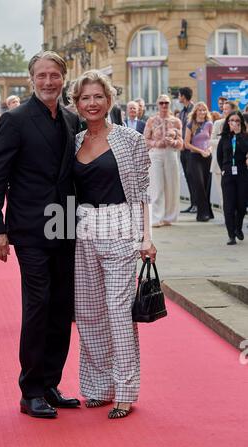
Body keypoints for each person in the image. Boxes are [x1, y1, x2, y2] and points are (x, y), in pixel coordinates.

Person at [0, 51, 81, 419]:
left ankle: (51, 383)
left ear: (63, 77)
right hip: (29, 226)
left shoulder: (72, 119)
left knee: (61, 306)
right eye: (41, 75)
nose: (48, 82)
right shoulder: (15, 119)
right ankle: (31, 390)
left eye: (54, 75)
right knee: (38, 305)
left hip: (65, 221)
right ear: (31, 79)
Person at [71, 70, 157, 419]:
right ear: (76, 104)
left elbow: (141, 193)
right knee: (89, 313)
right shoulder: (73, 141)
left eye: (98, 97)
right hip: (80, 228)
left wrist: (146, 237)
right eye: (85, 98)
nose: (92, 103)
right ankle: (97, 388)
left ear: (109, 100)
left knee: (119, 312)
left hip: (121, 226)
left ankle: (124, 390)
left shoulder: (129, 139)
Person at [144, 94, 183, 227]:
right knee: (156, 186)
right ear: (157, 105)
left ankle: (169, 217)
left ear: (170, 104)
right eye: (161, 103)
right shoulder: (151, 120)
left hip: (171, 153)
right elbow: (145, 140)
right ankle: (155, 218)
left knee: (172, 185)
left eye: (166, 103)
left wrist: (174, 141)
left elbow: (181, 143)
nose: (164, 105)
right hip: (156, 154)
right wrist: (155, 143)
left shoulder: (176, 121)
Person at [217, 111, 248, 245]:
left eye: (237, 121)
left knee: (241, 205)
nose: (234, 123)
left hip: (242, 173)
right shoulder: (224, 138)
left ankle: (238, 228)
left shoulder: (245, 137)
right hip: (228, 174)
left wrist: (238, 135)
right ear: (228, 123)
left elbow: (245, 150)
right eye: (232, 121)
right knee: (229, 206)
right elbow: (219, 156)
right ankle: (231, 235)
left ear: (240, 123)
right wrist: (223, 169)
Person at [185, 102, 214, 222]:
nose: (202, 112)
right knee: (200, 185)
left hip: (207, 157)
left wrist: (208, 150)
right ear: (195, 112)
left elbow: (212, 141)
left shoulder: (209, 124)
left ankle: (208, 211)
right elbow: (186, 144)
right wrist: (201, 151)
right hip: (195, 157)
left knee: (207, 185)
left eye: (204, 110)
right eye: (200, 110)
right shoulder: (190, 124)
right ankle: (202, 214)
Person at [210, 101, 238, 208]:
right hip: (219, 165)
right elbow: (211, 141)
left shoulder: (239, 124)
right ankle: (228, 219)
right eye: (223, 109)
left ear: (233, 110)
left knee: (235, 194)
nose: (224, 111)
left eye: (227, 109)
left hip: (236, 165)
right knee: (223, 194)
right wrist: (224, 141)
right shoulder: (218, 123)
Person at [178, 87, 196, 213]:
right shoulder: (182, 112)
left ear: (183, 96)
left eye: (179, 95)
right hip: (183, 150)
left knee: (193, 177)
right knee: (188, 177)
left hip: (191, 149)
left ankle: (197, 204)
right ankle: (192, 203)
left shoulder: (194, 110)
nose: (178, 97)